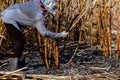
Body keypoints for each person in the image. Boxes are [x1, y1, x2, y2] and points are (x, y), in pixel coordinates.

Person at [1, 0, 68, 71]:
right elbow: (44, 33)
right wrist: (60, 35)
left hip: (10, 12)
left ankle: (20, 64)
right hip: (9, 18)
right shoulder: (38, 15)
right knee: (18, 42)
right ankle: (13, 67)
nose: (47, 13)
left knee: (22, 41)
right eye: (47, 12)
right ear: (45, 8)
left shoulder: (37, 2)